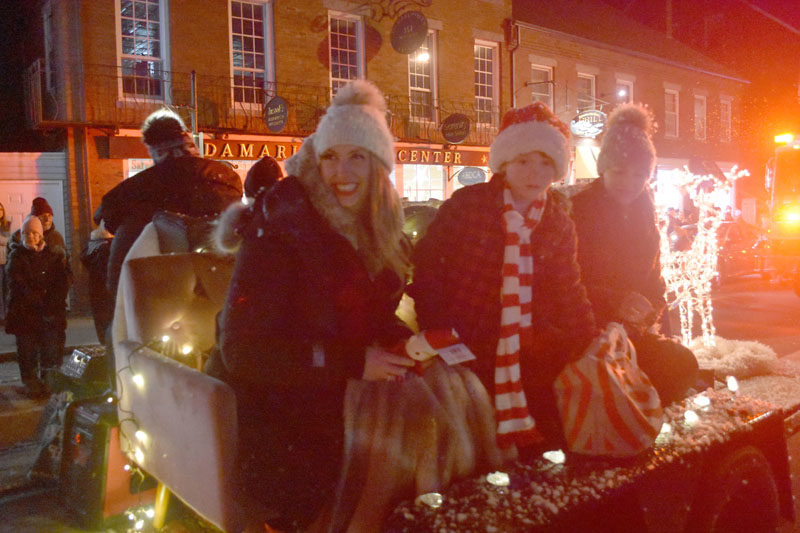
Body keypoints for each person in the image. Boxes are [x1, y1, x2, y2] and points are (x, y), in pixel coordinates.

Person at [211, 80, 416, 531]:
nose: (341, 172)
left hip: (340, 391)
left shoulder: (375, 229)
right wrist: (354, 362)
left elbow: (367, 311)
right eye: (329, 157)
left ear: (379, 166)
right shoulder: (281, 230)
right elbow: (243, 351)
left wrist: (408, 343)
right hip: (281, 414)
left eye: (356, 156)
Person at [408, 102, 598, 454]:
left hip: (527, 350)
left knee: (545, 444)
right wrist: (438, 329)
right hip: (466, 344)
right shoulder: (469, 207)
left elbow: (567, 288)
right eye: (524, 161)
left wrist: (590, 339)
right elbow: (430, 270)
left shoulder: (556, 222)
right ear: (505, 163)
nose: (533, 173)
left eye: (544, 163)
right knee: (473, 444)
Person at [570, 103, 698, 405]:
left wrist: (652, 306)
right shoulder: (580, 210)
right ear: (604, 169)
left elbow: (654, 276)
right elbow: (566, 282)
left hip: (632, 331)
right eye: (620, 172)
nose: (629, 183)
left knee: (682, 365)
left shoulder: (644, 209)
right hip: (588, 330)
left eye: (639, 174)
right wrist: (615, 303)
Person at [93, 108, 243, 299]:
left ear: (156, 152)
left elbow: (120, 283)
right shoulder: (225, 184)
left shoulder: (136, 199)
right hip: (222, 302)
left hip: (161, 311)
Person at [5, 215, 71, 398]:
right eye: (27, 233)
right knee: (27, 352)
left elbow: (61, 283)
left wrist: (51, 303)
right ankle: (31, 384)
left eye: (34, 233)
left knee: (50, 350)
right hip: (25, 314)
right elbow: (17, 284)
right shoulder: (17, 256)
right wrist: (36, 299)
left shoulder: (53, 256)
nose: (31, 237)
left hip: (49, 314)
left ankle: (49, 383)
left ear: (41, 234)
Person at [80, 221, 114, 344]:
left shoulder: (91, 246)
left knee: (101, 322)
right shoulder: (109, 247)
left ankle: (104, 345)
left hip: (95, 290)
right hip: (108, 290)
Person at [0, 202, 10, 322]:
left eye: (1, 210)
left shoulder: (6, 225)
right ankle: (1, 316)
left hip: (6, 261)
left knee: (7, 289)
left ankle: (8, 314)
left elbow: (8, 240)